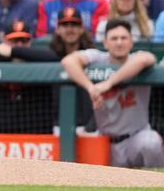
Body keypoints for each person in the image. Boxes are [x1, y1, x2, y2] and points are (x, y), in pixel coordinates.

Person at [61, 19, 164, 168]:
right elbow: (68, 61)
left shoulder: (138, 56)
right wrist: (91, 88)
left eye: (124, 38)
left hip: (136, 137)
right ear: (105, 43)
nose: (119, 43)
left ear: (131, 42)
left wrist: (108, 83)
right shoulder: (97, 58)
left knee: (151, 142)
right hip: (105, 141)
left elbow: (144, 59)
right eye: (114, 38)